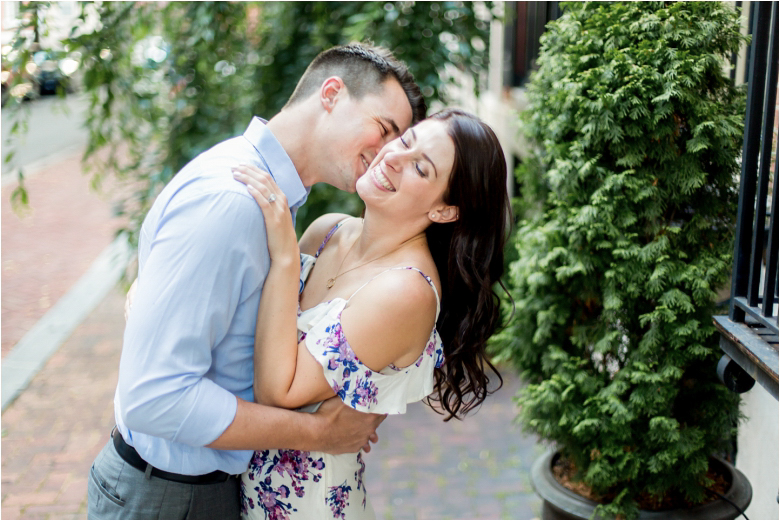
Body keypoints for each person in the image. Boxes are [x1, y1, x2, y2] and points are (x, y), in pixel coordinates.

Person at [87, 43, 426, 520]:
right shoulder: (234, 202)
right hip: (170, 497)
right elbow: (154, 395)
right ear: (331, 94)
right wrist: (320, 435)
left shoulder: (272, 200)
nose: (387, 152)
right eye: (385, 128)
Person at [231, 108, 512, 519]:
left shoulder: (406, 290)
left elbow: (279, 392)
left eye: (420, 167)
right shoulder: (327, 231)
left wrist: (284, 258)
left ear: (445, 210)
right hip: (238, 491)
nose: (394, 158)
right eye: (405, 140)